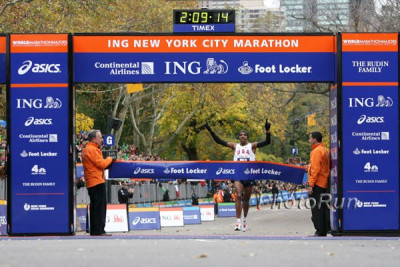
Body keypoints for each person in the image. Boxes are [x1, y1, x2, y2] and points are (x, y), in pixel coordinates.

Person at [205, 119, 271, 231]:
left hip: (250, 175)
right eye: (240, 135)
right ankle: (238, 222)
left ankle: (245, 220)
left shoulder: (252, 146)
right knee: (239, 195)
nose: (242, 136)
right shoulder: (235, 146)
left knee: (246, 199)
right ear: (239, 137)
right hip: (238, 174)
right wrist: (210, 130)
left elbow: (267, 142)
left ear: (247, 137)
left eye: (245, 135)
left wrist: (268, 130)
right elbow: (219, 141)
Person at [82, 130, 113, 236]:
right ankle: (99, 230)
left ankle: (95, 230)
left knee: (95, 206)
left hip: (92, 181)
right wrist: (110, 158)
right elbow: (102, 164)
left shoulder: (88, 149)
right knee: (99, 207)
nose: (102, 139)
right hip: (97, 181)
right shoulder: (92, 150)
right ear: (94, 139)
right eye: (100, 137)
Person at [307, 131, 330, 236]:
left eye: (310, 138)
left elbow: (315, 169)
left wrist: (311, 185)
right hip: (325, 182)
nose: (309, 140)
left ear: (315, 139)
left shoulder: (316, 152)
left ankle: (319, 230)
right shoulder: (325, 150)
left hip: (318, 183)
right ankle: (325, 228)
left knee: (316, 208)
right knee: (324, 207)